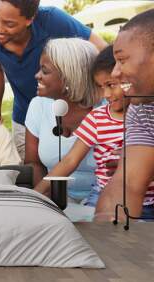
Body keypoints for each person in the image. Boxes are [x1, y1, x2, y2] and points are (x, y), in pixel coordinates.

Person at [0, 0, 107, 162]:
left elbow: (102, 52)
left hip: (71, 108)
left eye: (9, 24)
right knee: (30, 168)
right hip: (24, 114)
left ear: (29, 19)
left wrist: (106, 90)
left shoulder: (52, 20)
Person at [34, 45, 154, 211]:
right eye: (100, 87)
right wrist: (37, 194)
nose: (105, 95)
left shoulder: (148, 116)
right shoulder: (97, 118)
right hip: (104, 195)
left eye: (111, 85)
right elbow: (70, 160)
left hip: (149, 202)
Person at [25, 38, 101, 203]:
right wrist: (44, 199)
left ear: (69, 78)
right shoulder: (38, 105)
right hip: (57, 197)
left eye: (45, 71)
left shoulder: (109, 109)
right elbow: (33, 163)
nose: (37, 76)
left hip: (104, 198)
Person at [95, 9, 154, 220]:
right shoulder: (142, 108)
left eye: (122, 60)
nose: (115, 72)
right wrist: (107, 241)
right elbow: (127, 183)